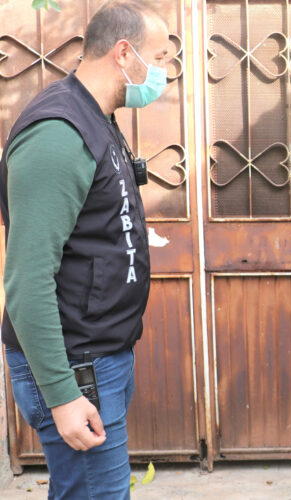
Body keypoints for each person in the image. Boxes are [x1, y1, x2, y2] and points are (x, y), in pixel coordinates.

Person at [0, 1, 168, 498]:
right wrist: (63, 395)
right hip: (76, 368)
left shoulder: (97, 118)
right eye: (158, 57)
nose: (163, 72)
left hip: (97, 358)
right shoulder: (59, 132)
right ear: (124, 53)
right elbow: (27, 281)